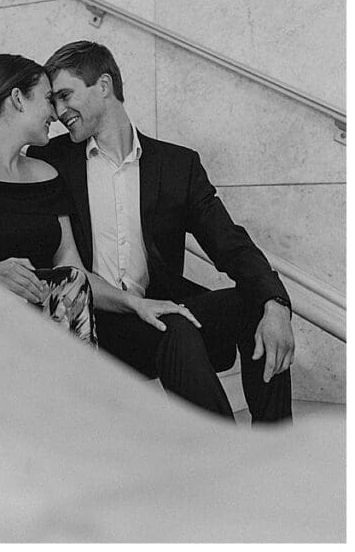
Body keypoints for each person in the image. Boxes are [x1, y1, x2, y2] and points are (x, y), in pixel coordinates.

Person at [29, 40, 294, 423]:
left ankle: (277, 450)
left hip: (157, 311)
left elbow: (230, 243)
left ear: (104, 85)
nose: (58, 112)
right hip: (94, 322)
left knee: (258, 303)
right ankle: (228, 458)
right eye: (53, 101)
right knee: (176, 324)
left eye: (65, 96)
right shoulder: (49, 161)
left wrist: (277, 304)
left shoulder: (176, 165)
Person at [0, 53, 200, 345]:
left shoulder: (47, 176)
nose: (56, 112)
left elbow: (77, 274)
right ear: (18, 99)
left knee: (177, 331)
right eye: (48, 99)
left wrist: (135, 303)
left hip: (61, 338)